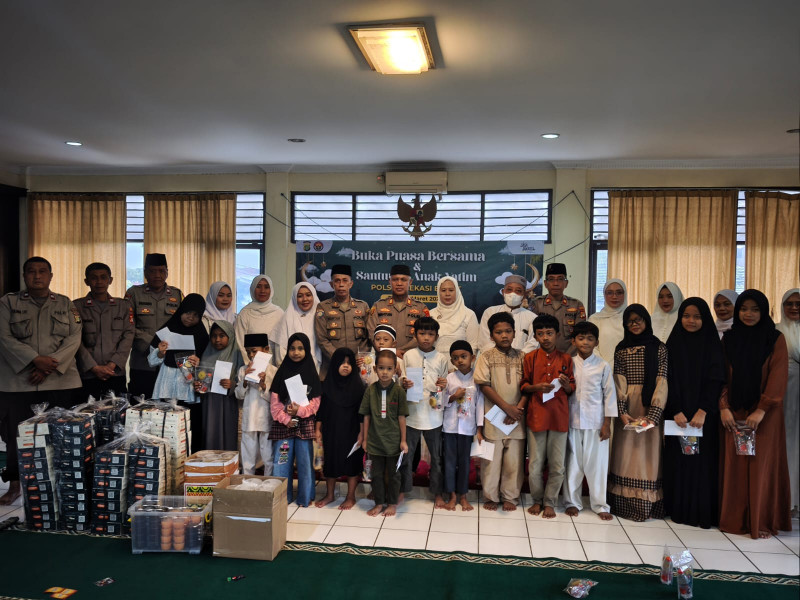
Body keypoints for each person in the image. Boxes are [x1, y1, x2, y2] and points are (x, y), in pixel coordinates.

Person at [0, 257, 82, 505]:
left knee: (61, 436)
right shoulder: (8, 302)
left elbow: (74, 338)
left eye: (42, 271)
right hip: (18, 382)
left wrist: (48, 366)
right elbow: (4, 337)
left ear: (51, 275)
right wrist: (35, 360)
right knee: (16, 435)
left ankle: (60, 484)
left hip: (59, 381)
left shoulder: (65, 304)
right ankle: (15, 484)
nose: (37, 276)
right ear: (24, 275)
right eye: (31, 272)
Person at [719, 290, 790, 539]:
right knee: (736, 467)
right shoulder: (729, 339)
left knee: (762, 466)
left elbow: (778, 376)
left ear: (764, 311)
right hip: (735, 411)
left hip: (765, 415)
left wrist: (762, 409)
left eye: (755, 309)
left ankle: (761, 521)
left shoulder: (775, 339)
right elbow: (721, 375)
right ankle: (735, 520)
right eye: (744, 309)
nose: (748, 314)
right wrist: (723, 406)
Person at [663, 298, 725, 528]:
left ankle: (701, 511)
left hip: (704, 417)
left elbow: (716, 379)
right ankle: (677, 509)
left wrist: (703, 410)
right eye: (686, 316)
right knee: (679, 462)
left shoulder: (712, 345)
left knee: (702, 464)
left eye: (697, 317)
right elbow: (667, 379)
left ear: (705, 319)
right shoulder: (672, 344)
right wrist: (675, 410)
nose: (691, 321)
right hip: (677, 416)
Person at [608, 304, 668, 521]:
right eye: (629, 321)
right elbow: (619, 380)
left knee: (648, 456)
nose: (634, 325)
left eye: (638, 320)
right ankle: (622, 505)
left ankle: (647, 506)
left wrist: (654, 415)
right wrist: (622, 411)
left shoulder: (659, 348)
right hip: (628, 410)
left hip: (650, 406)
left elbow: (662, 381)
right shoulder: (622, 348)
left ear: (646, 321)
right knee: (624, 454)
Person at [520, 314, 574, 519]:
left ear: (557, 334)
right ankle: (537, 500)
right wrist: (536, 387)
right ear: (535, 336)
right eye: (540, 334)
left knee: (557, 465)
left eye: (549, 333)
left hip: (559, 418)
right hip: (536, 417)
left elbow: (571, 388)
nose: (545, 338)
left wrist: (567, 386)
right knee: (534, 464)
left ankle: (550, 501)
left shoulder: (566, 359)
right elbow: (523, 385)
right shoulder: (530, 358)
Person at [563, 321, 617, 520]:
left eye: (590, 338)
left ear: (596, 342)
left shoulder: (603, 365)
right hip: (572, 421)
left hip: (596, 423)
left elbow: (609, 396)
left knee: (597, 466)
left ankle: (600, 505)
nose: (585, 342)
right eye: (581, 338)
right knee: (573, 464)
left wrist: (607, 425)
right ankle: (572, 502)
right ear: (573, 341)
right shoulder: (568, 363)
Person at [474, 312, 526, 512]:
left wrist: (517, 409)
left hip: (518, 417)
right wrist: (507, 408)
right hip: (493, 416)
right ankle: (490, 496)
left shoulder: (523, 357)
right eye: (499, 332)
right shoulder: (486, 357)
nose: (504, 335)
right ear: (491, 335)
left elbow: (528, 386)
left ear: (514, 333)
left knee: (514, 461)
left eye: (508, 331)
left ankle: (510, 497)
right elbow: (484, 385)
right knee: (491, 460)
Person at [148, 294, 208, 451]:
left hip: (188, 388)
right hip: (166, 384)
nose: (190, 318)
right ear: (181, 310)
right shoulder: (167, 330)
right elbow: (151, 361)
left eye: (195, 315)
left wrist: (199, 362)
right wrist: (160, 353)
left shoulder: (202, 335)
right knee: (166, 425)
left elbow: (208, 367)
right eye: (188, 312)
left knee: (189, 426)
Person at [400, 316, 449, 508]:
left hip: (434, 416)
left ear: (436, 336)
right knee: (406, 455)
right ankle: (403, 490)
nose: (426, 338)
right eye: (422, 333)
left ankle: (437, 492)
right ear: (415, 335)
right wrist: (403, 383)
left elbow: (444, 384)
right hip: (412, 414)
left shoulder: (441, 358)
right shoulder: (408, 355)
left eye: (430, 334)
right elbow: (402, 378)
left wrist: (443, 384)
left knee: (436, 458)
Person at [269, 332, 321, 507]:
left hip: (305, 425)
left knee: (305, 463)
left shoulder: (311, 373)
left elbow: (316, 403)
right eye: (292, 348)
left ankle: (305, 497)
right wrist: (286, 419)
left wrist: (300, 411)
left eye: (300, 348)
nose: (296, 352)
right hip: (283, 427)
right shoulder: (281, 372)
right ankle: (282, 498)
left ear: (307, 350)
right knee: (281, 462)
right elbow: (274, 404)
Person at [125, 253, 184, 399]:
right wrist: (153, 343)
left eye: (161, 271)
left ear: (167, 273)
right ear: (145, 273)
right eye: (152, 271)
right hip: (142, 362)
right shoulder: (134, 293)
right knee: (140, 404)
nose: (157, 275)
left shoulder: (177, 295)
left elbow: (183, 326)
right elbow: (127, 324)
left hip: (168, 364)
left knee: (168, 407)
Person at [73, 262, 134, 399]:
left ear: (110, 280)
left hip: (115, 373)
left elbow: (128, 336)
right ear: (86, 281)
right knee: (86, 410)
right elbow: (75, 340)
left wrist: (112, 365)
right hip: (87, 373)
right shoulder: (76, 306)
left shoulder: (123, 306)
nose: (99, 282)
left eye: (103, 277)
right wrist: (93, 367)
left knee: (117, 410)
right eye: (94, 278)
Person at [359, 349, 409, 517]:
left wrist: (403, 440)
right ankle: (379, 503)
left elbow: (402, 418)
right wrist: (365, 439)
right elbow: (366, 416)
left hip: (393, 442)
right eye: (381, 368)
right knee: (377, 474)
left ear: (395, 370)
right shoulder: (370, 390)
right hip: (375, 442)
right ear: (375, 369)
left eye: (389, 368)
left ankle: (392, 503)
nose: (385, 372)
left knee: (394, 475)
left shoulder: (399, 391)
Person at [315, 348, 366, 510]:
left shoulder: (359, 387)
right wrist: (318, 429)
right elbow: (321, 411)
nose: (346, 366)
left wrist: (362, 434)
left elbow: (362, 414)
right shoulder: (327, 385)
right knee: (330, 462)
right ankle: (330, 494)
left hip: (352, 432)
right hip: (331, 431)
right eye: (342, 362)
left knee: (352, 463)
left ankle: (350, 496)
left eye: (349, 363)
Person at [442, 340, 484, 511]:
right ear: (452, 361)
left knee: (465, 463)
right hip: (450, 427)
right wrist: (453, 396)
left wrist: (479, 429)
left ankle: (463, 496)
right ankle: (452, 495)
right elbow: (440, 402)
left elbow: (480, 405)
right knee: (449, 462)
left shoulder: (477, 379)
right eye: (455, 358)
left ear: (472, 358)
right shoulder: (449, 379)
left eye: (464, 356)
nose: (460, 360)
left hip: (467, 428)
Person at [315, 264, 370, 377]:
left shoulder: (363, 306)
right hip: (331, 367)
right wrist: (339, 358)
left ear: (351, 284)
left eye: (345, 280)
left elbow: (367, 337)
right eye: (337, 281)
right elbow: (322, 339)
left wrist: (358, 357)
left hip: (358, 366)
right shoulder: (323, 307)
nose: (341, 284)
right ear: (331, 284)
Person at [235, 333, 277, 475]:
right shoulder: (243, 370)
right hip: (249, 418)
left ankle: (269, 482)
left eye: (254, 351)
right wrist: (245, 381)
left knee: (268, 456)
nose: (251, 355)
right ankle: (247, 482)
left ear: (266, 350)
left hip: (266, 418)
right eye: (248, 352)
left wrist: (263, 385)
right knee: (247, 456)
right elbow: (239, 395)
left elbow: (275, 399)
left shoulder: (273, 371)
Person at [367, 264, 430, 357]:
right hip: (384, 359)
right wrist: (391, 351)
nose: (399, 283)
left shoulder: (420, 308)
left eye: (403, 280)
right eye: (395, 279)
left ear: (410, 282)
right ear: (390, 281)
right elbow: (371, 333)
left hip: (412, 358)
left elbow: (425, 335)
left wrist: (402, 351)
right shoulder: (378, 306)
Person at [196, 320, 241, 450]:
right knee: (210, 432)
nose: (217, 340)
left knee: (228, 433)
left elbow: (242, 381)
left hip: (228, 402)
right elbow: (201, 377)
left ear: (230, 336)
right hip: (209, 402)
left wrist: (233, 384)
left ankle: (228, 461)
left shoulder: (237, 354)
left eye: (222, 336)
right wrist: (197, 385)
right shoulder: (206, 354)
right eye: (214, 336)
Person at [776, 288, 799, 515]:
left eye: (798, 304)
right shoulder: (776, 331)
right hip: (784, 393)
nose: (793, 308)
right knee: (788, 444)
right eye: (789, 304)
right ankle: (787, 501)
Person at [530, 263, 586, 354]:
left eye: (560, 279)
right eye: (551, 279)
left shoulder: (576, 305)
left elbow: (581, 335)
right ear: (545, 283)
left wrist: (566, 357)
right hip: (542, 357)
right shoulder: (536, 304)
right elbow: (532, 335)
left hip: (570, 358)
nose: (556, 283)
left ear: (566, 283)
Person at [478, 274, 538, 354]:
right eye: (509, 290)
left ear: (524, 295)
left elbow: (533, 343)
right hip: (492, 359)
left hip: (522, 360)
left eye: (518, 291)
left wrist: (518, 357)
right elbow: (484, 341)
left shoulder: (532, 318)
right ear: (503, 292)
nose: (513, 294)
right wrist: (499, 357)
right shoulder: (490, 312)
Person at [235, 274, 284, 363]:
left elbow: (282, 343)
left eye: (266, 287)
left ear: (271, 290)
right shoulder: (245, 314)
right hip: (250, 363)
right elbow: (240, 344)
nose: (262, 291)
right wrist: (250, 366)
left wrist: (278, 367)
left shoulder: (279, 313)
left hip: (274, 364)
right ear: (253, 288)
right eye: (258, 287)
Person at [272, 282, 321, 369]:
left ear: (314, 296)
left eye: (308, 295)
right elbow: (281, 349)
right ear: (295, 298)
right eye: (300, 296)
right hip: (291, 369)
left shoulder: (321, 317)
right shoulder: (287, 318)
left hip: (317, 369)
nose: (305, 299)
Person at [432, 276, 480, 359]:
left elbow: (473, 345)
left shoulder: (468, 314)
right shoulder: (431, 314)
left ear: (457, 291)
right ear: (438, 292)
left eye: (451, 290)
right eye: (443, 290)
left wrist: (465, 365)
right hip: (434, 362)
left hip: (460, 364)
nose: (447, 294)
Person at [588, 279, 627, 369]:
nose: (614, 296)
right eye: (609, 293)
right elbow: (591, 346)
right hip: (600, 369)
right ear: (604, 295)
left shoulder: (630, 319)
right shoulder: (595, 319)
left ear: (625, 294)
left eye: (619, 292)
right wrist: (605, 367)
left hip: (627, 370)